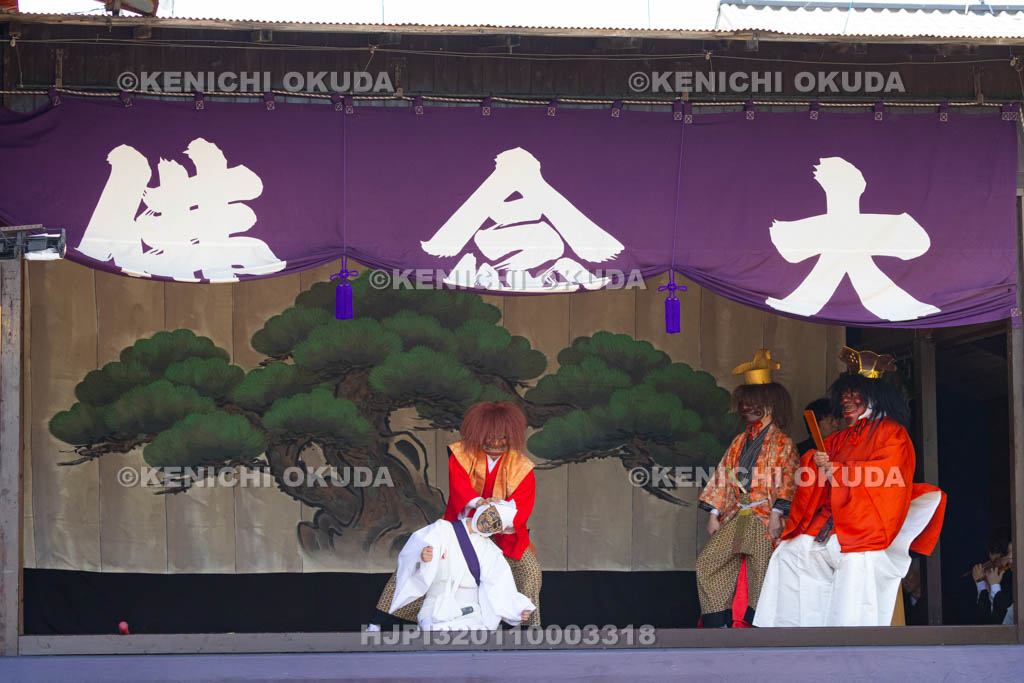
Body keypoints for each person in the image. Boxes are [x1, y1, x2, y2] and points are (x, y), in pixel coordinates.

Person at [753, 347, 946, 627]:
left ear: (874, 396)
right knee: (791, 552)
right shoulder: (841, 437)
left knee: (856, 563)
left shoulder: (894, 434)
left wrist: (840, 471)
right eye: (844, 393)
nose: (845, 400)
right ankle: (794, 632)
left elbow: (888, 476)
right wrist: (816, 462)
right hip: (830, 523)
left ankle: (851, 636)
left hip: (866, 528)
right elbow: (810, 464)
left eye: (853, 393)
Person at [373, 401, 541, 626]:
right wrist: (479, 503)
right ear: (479, 433)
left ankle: (529, 629)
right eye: (490, 436)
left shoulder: (522, 466)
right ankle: (381, 622)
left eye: (502, 437)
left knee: (529, 571)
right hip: (461, 529)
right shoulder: (461, 454)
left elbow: (522, 506)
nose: (495, 442)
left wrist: (498, 514)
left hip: (503, 534)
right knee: (419, 564)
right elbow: (460, 488)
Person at [696, 349, 799, 628]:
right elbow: (724, 475)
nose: (745, 408)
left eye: (752, 403)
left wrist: (778, 513)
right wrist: (714, 512)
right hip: (740, 516)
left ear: (770, 405)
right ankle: (719, 625)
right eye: (744, 403)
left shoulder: (782, 443)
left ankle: (759, 630)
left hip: (766, 518)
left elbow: (788, 478)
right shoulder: (740, 440)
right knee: (709, 563)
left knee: (762, 576)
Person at [386, 500, 535, 630]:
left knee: (473, 641)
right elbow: (412, 555)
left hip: (471, 612)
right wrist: (422, 558)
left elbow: (500, 583)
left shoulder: (491, 552)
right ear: (486, 507)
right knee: (436, 636)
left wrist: (517, 608)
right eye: (491, 514)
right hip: (435, 607)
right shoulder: (441, 530)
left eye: (497, 523)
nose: (489, 522)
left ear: (500, 530)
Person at [973, 528, 1014, 625]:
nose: (1010, 558)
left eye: (1013, 553)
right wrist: (984, 587)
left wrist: (994, 586)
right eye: (1009, 552)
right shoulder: (997, 577)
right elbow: (983, 625)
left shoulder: (1013, 582)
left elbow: (998, 624)